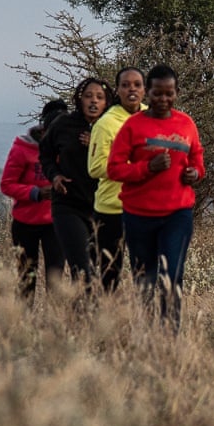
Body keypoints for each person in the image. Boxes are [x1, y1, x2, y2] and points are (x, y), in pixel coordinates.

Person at [106, 64, 204, 330]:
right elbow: (114, 169)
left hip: (177, 214)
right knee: (145, 279)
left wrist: (195, 173)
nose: (163, 99)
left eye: (169, 93)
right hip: (139, 216)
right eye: (157, 93)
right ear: (147, 94)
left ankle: (170, 335)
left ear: (176, 92)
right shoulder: (133, 126)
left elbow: (197, 160)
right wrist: (147, 168)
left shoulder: (186, 123)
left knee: (171, 274)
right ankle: (147, 333)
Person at [39, 76, 112, 290]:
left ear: (107, 102)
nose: (93, 101)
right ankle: (79, 319)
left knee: (99, 271)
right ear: (79, 100)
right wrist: (54, 176)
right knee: (82, 271)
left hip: (103, 207)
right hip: (68, 205)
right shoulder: (63, 124)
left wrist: (96, 145)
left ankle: (87, 319)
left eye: (99, 97)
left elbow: (126, 158)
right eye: (88, 96)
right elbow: (45, 153)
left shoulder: (111, 126)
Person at [0, 99, 67, 300]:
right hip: (25, 223)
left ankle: (55, 325)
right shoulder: (23, 149)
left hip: (55, 222)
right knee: (26, 279)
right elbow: (7, 184)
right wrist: (35, 193)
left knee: (56, 280)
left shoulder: (66, 147)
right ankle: (24, 325)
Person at [87, 66, 146, 292]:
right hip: (112, 208)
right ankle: (103, 320)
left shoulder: (153, 117)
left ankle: (145, 320)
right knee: (108, 274)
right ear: (117, 91)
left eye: (137, 84)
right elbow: (95, 168)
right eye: (125, 85)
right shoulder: (106, 123)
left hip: (146, 208)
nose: (131, 89)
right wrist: (138, 168)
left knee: (146, 271)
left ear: (144, 89)